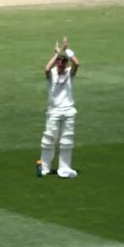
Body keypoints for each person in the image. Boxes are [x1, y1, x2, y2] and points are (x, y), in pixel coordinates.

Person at [40, 36, 80, 178]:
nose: (61, 66)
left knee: (66, 141)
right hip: (54, 111)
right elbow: (46, 68)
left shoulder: (69, 73)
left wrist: (67, 49)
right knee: (49, 139)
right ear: (56, 64)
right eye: (59, 64)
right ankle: (45, 167)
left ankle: (64, 168)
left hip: (68, 111)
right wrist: (56, 54)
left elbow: (77, 63)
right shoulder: (52, 73)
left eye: (63, 64)